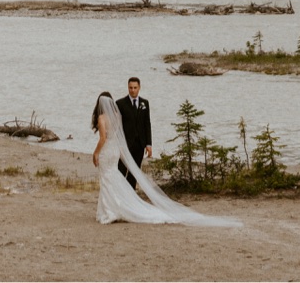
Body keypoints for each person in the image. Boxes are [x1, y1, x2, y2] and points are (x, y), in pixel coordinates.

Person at [90, 91, 238, 227]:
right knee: (113, 177)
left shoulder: (102, 118)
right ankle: (113, 208)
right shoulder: (116, 116)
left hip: (107, 151)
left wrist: (96, 153)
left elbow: (103, 138)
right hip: (115, 150)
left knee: (107, 178)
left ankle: (110, 210)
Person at [117, 76, 151, 187]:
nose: (132, 90)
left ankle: (131, 194)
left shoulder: (145, 103)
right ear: (128, 87)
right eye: (130, 88)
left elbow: (147, 124)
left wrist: (148, 144)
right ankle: (120, 192)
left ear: (139, 87)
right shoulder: (120, 103)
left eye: (135, 87)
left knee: (135, 171)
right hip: (125, 144)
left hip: (140, 144)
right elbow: (117, 125)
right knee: (121, 170)